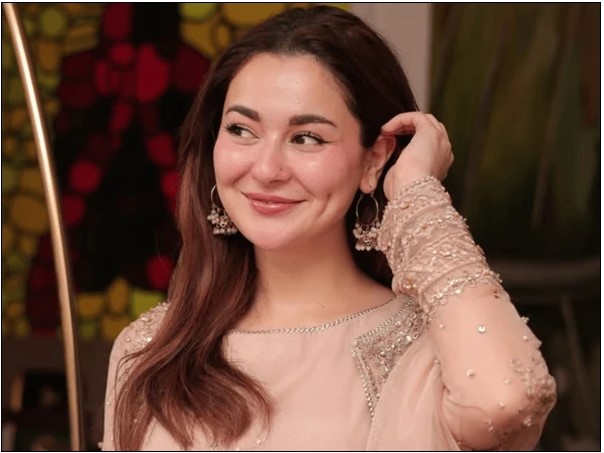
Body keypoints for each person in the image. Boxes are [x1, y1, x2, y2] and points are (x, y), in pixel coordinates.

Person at [101, 6, 556, 451]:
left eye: (307, 138)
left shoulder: (428, 351)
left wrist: (416, 191)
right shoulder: (150, 349)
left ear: (374, 159)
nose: (266, 169)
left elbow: (507, 403)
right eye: (241, 130)